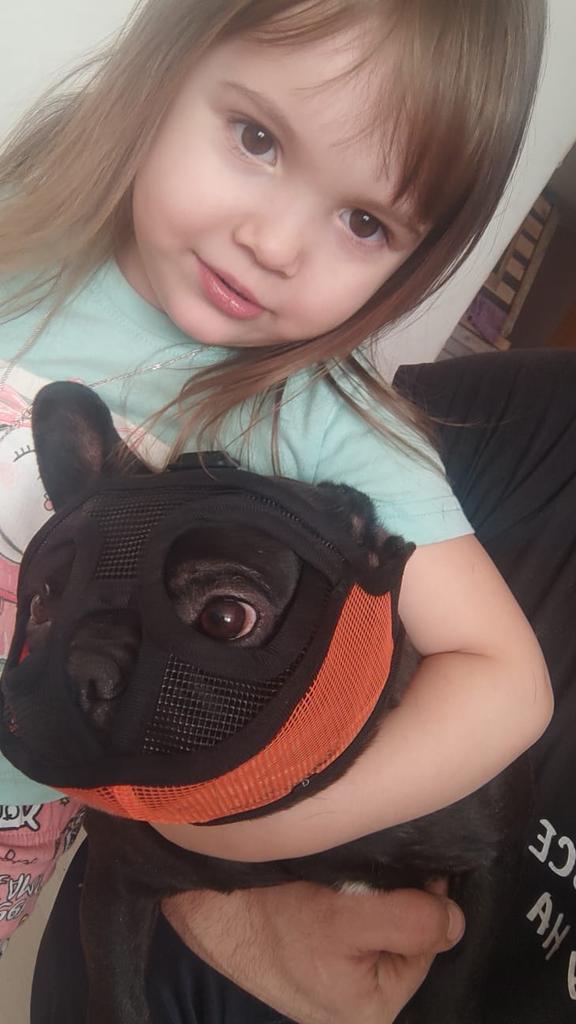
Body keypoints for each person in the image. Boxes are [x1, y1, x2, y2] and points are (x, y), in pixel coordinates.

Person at [0, 0, 552, 1015]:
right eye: (257, 138)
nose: (273, 242)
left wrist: (253, 826)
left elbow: (507, 684)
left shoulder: (317, 420)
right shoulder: (21, 229)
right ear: (165, 69)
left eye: (364, 222)